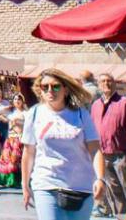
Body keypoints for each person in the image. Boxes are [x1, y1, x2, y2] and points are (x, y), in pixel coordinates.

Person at [22, 68, 105, 220]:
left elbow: (95, 149)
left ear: (65, 89)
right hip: (46, 183)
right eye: (45, 86)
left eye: (56, 86)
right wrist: (25, 184)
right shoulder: (34, 114)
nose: (50, 90)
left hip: (81, 186)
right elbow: (28, 153)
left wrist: (100, 178)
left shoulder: (81, 114)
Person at [92, 74, 126, 220]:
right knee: (113, 191)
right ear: (98, 85)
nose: (106, 84)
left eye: (109, 81)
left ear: (115, 84)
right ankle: (122, 217)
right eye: (103, 81)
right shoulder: (96, 105)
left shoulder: (124, 103)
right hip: (103, 155)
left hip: (122, 154)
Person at [0, 113, 26, 188]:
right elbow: (4, 119)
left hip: (19, 139)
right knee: (5, 158)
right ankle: (5, 180)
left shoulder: (26, 113)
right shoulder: (11, 112)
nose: (16, 101)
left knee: (15, 159)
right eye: (15, 100)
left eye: (18, 100)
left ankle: (16, 181)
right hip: (10, 139)